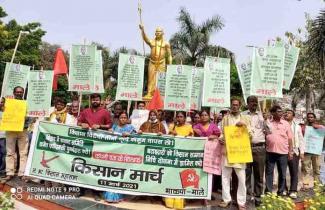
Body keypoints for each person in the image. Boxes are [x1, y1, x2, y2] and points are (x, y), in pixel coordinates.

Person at [77, 93, 112, 201]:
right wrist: (81, 124)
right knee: (83, 165)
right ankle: (82, 190)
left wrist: (100, 126)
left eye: (97, 100)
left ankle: (96, 192)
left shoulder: (105, 112)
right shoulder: (85, 111)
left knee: (96, 168)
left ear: (100, 101)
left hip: (99, 145)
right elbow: (78, 122)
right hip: (86, 143)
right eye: (93, 100)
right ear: (90, 101)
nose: (95, 101)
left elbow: (109, 125)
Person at [218, 98, 251, 210]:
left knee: (241, 178)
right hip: (227, 151)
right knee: (225, 177)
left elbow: (252, 134)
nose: (235, 106)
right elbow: (222, 133)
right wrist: (221, 140)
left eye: (237, 105)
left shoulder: (246, 119)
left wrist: (244, 126)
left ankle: (241, 202)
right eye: (233, 105)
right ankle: (226, 199)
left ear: (240, 106)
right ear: (231, 106)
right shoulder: (225, 118)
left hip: (240, 152)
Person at [104, 111, 136, 203]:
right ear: (118, 119)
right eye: (121, 118)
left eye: (125, 118)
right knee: (112, 174)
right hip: (114, 154)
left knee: (121, 175)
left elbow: (137, 137)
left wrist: (130, 135)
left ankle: (119, 195)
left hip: (125, 155)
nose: (123, 119)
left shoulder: (131, 127)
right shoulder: (114, 127)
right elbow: (108, 135)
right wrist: (109, 131)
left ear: (127, 119)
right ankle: (110, 195)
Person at [2, 86, 31, 182]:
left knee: (23, 153)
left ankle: (22, 173)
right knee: (10, 153)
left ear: (23, 93)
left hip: (23, 130)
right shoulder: (7, 103)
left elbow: (30, 116)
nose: (19, 93)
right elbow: (3, 113)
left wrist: (26, 121)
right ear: (14, 93)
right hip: (10, 130)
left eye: (21, 92)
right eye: (17, 92)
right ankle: (10, 173)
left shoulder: (27, 103)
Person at [242, 96, 266, 206]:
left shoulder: (262, 116)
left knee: (259, 174)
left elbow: (269, 131)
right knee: (246, 173)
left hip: (259, 148)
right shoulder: (242, 115)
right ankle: (247, 196)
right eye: (251, 102)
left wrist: (266, 120)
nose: (254, 103)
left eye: (255, 101)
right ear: (247, 103)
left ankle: (258, 197)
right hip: (245, 148)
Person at [264, 105, 293, 196]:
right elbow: (264, 135)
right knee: (269, 173)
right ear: (273, 113)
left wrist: (290, 152)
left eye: (281, 111)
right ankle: (268, 192)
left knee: (282, 174)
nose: (281, 113)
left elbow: (290, 139)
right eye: (278, 111)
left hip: (283, 153)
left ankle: (280, 192)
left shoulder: (286, 123)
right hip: (270, 152)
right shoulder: (268, 123)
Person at [139, 24, 172, 99]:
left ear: (162, 33)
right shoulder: (152, 42)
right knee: (150, 78)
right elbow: (145, 39)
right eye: (156, 32)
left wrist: (170, 65)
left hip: (162, 63)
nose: (157, 33)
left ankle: (159, 95)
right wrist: (143, 30)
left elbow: (169, 55)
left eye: (159, 32)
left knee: (160, 79)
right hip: (152, 62)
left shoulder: (166, 43)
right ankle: (149, 93)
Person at [284, 109, 305, 199]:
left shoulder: (297, 126)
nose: (287, 114)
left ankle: (293, 190)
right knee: (282, 171)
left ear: (293, 116)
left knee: (294, 171)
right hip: (283, 151)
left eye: (289, 113)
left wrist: (302, 152)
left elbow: (301, 140)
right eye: (286, 113)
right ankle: (283, 189)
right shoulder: (281, 124)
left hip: (295, 151)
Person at [301, 112, 325, 189]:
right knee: (305, 168)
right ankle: (305, 185)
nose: (310, 118)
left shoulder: (320, 127)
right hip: (307, 151)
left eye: (311, 117)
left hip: (317, 151)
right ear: (307, 118)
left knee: (317, 169)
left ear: (314, 118)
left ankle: (317, 186)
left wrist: (318, 127)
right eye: (309, 117)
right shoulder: (304, 127)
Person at [0, 98, 6, 178]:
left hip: (4, 136)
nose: (0, 103)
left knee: (4, 154)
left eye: (2, 102)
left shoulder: (7, 112)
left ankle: (2, 170)